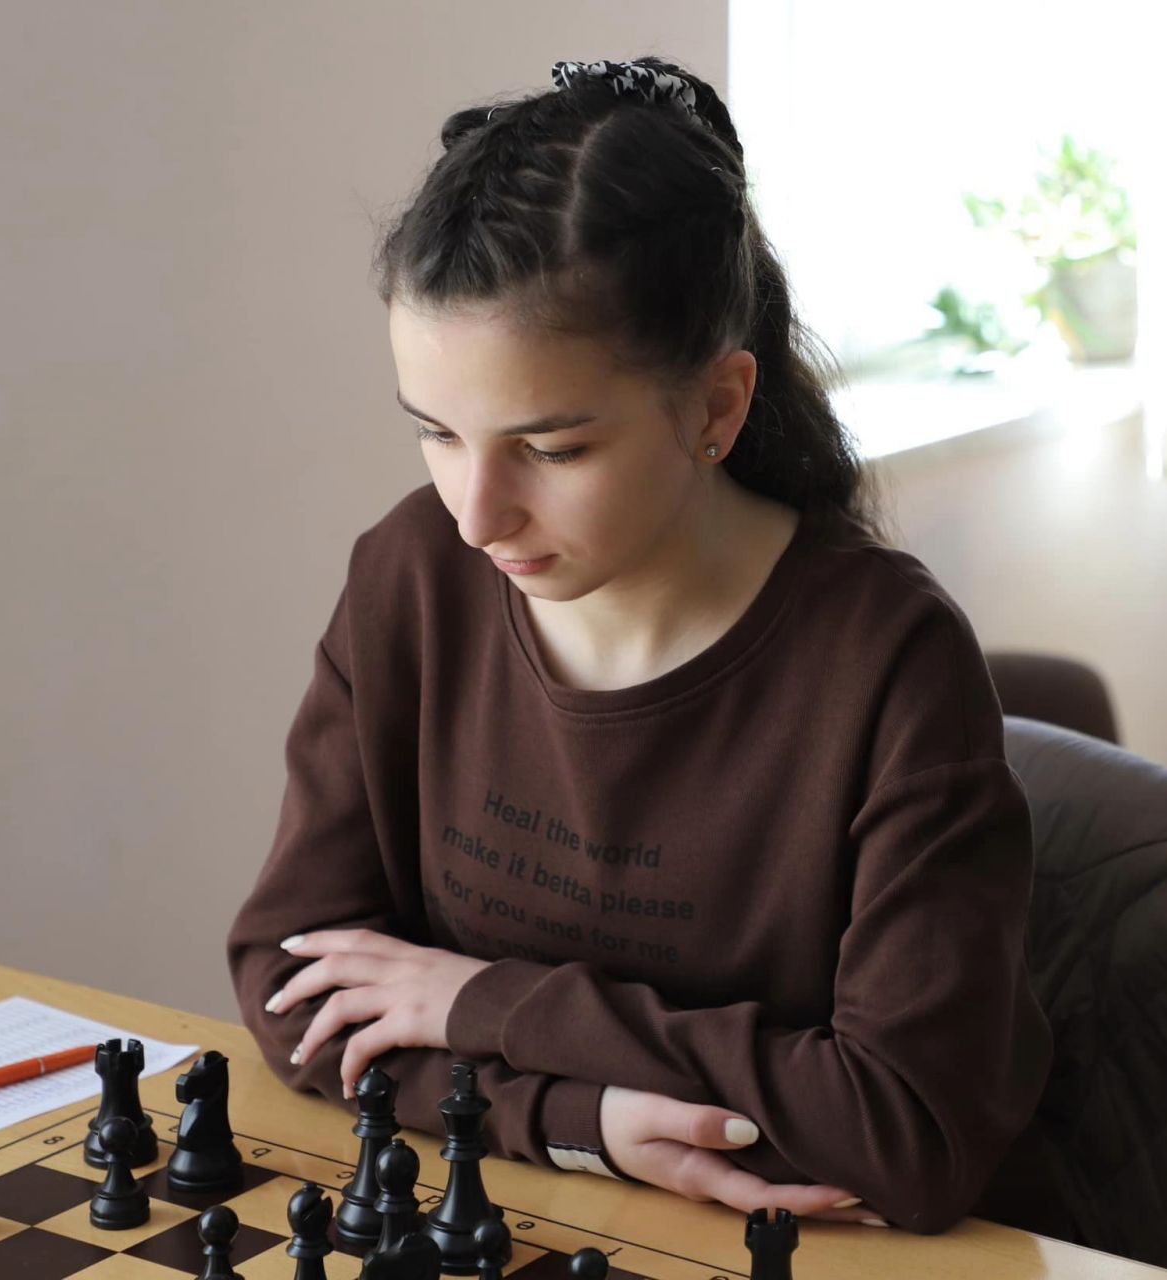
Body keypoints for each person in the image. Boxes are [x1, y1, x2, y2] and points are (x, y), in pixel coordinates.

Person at [227, 55, 1052, 1235]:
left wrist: (483, 1003)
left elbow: (908, 1131)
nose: (476, 515)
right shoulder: (412, 577)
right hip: (522, 1214)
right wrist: (585, 1120)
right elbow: (295, 990)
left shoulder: (886, 660)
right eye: (437, 434)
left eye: (550, 449)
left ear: (715, 406)